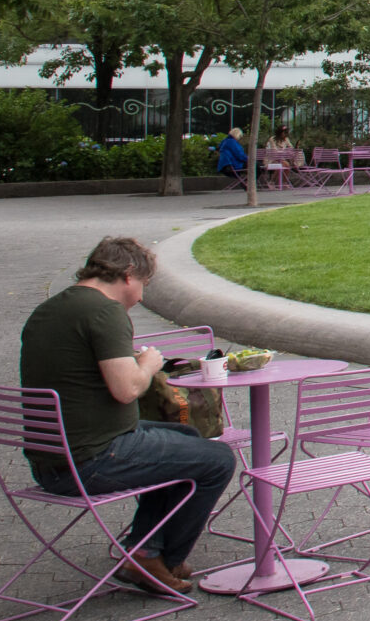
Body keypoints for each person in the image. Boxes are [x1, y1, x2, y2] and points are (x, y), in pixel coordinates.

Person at [20, 237, 237, 596]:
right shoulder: (105, 312)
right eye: (143, 286)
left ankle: (148, 548)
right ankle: (156, 560)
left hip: (51, 460)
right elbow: (127, 389)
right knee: (217, 460)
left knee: (187, 439)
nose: (140, 298)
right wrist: (148, 365)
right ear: (128, 274)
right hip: (92, 460)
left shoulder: (49, 309)